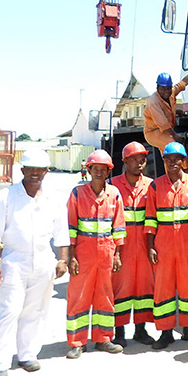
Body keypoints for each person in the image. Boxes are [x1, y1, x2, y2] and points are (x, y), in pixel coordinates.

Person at [0, 149, 69, 376]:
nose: (35, 174)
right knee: (8, 311)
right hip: (14, 260)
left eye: (40, 170)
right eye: (30, 169)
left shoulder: (53, 198)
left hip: (43, 260)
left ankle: (27, 354)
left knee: (35, 310)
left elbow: (62, 232)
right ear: (22, 171)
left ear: (46, 171)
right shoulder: (6, 196)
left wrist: (62, 259)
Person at [65, 149, 126, 359]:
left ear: (108, 172)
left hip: (107, 253)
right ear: (89, 170)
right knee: (78, 296)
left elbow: (118, 227)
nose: (99, 172)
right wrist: (71, 256)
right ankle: (77, 342)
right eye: (95, 168)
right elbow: (70, 227)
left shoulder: (115, 194)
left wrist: (118, 255)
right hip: (83, 252)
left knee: (105, 296)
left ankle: (103, 339)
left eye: (103, 169)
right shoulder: (77, 194)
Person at [144, 141, 188, 349]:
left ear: (183, 161)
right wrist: (151, 246)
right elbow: (151, 219)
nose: (172, 163)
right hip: (163, 246)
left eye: (177, 159)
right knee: (164, 289)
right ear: (163, 161)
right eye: (168, 159)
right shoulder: (155, 186)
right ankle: (166, 332)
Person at [109, 142, 155, 347]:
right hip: (123, 245)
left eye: (142, 159)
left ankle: (140, 329)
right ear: (125, 161)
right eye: (135, 159)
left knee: (144, 288)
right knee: (121, 288)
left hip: (144, 244)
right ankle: (119, 331)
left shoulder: (151, 185)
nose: (139, 163)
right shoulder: (112, 185)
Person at [143, 65, 188, 168]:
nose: (166, 91)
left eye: (168, 88)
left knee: (167, 154)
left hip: (163, 130)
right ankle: (187, 169)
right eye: (163, 89)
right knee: (174, 146)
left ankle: (170, 178)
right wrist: (176, 136)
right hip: (153, 131)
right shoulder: (153, 101)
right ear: (157, 87)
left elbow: (184, 82)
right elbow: (163, 123)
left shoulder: (171, 93)